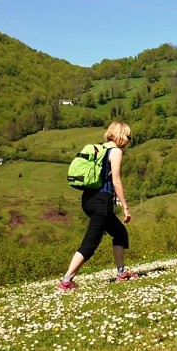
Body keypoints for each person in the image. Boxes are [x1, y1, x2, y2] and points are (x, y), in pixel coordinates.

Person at [58, 121, 138, 291]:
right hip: (102, 202)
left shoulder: (99, 148)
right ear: (122, 135)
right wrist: (125, 206)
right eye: (128, 137)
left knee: (119, 233)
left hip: (88, 200)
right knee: (90, 243)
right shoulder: (115, 151)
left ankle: (122, 273)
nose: (128, 141)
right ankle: (66, 282)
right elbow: (116, 180)